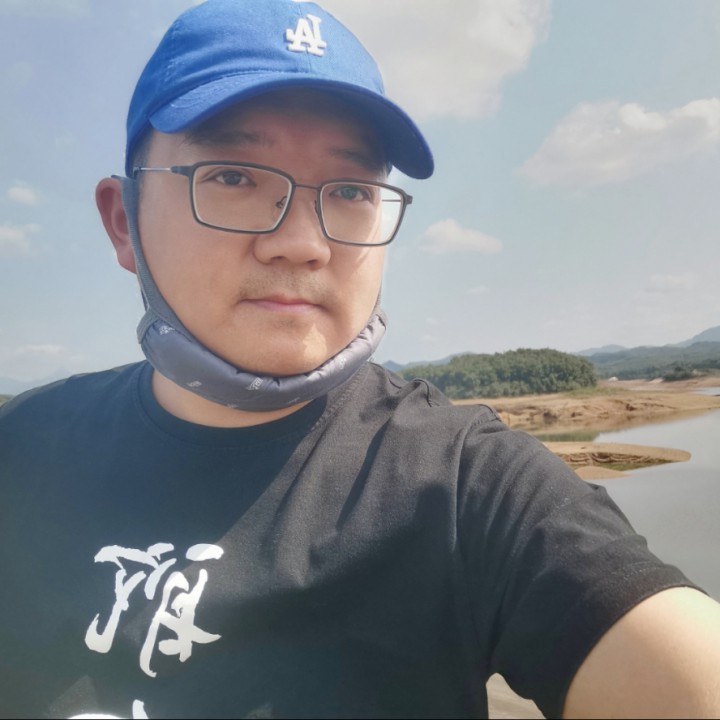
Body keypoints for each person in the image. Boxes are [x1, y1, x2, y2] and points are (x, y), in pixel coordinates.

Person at [1, 1, 720, 717]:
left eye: (349, 191)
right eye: (233, 176)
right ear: (123, 221)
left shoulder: (461, 487)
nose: (302, 243)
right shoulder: (21, 451)